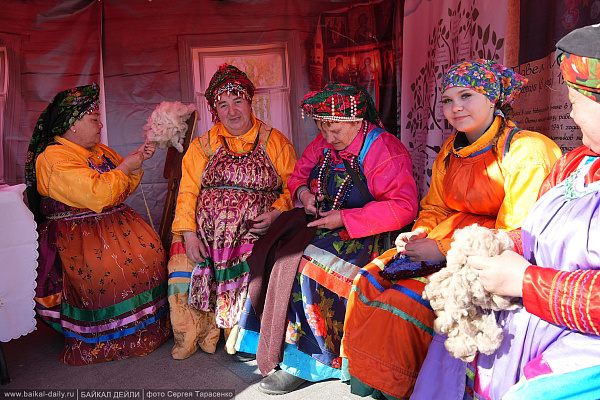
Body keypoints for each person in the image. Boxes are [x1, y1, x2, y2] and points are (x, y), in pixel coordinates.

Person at [341, 59, 563, 399]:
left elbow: (518, 234)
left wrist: (443, 251)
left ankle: (404, 387)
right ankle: (373, 379)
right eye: (447, 100)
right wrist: (420, 232)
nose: (455, 107)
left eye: (466, 96)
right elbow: (436, 206)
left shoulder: (526, 150)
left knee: (405, 301)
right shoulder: (451, 149)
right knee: (369, 279)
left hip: (490, 253)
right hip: (447, 234)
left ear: (492, 98)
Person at [411, 24, 600, 400]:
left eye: (576, 101)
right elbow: (530, 232)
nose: (572, 113)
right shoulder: (575, 164)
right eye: (447, 100)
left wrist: (525, 281)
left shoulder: (525, 150)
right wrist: (493, 243)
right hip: (518, 294)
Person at [234, 82, 419, 395]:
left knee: (308, 267)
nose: (328, 137)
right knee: (271, 250)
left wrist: (345, 218)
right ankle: (266, 340)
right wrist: (305, 194)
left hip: (370, 234)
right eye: (322, 128)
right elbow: (298, 175)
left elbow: (403, 207)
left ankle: (311, 363)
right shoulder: (325, 142)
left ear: (356, 121)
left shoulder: (384, 150)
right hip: (326, 222)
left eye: (334, 129)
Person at [25, 83, 171, 366]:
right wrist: (126, 167)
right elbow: (98, 194)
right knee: (108, 272)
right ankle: (108, 337)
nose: (101, 125)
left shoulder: (98, 150)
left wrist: (136, 162)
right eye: (94, 119)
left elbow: (119, 190)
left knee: (149, 254)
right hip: (79, 239)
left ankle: (145, 328)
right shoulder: (53, 158)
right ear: (72, 124)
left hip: (114, 228)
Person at [168, 64, 297, 359]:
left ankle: (239, 337)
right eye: (223, 105)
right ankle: (194, 335)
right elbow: (187, 192)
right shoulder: (202, 146)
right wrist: (189, 234)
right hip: (205, 232)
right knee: (181, 261)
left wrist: (276, 213)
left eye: (238, 101)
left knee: (255, 262)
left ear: (250, 102)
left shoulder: (275, 142)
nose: (232, 111)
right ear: (215, 111)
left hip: (253, 232)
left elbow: (295, 187)